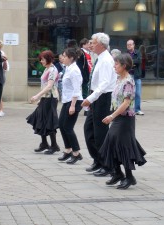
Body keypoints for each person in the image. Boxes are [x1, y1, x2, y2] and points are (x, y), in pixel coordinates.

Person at [98, 53, 147, 189]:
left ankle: (129, 177)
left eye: (117, 64)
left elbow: (126, 103)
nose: (114, 66)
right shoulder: (119, 79)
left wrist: (111, 116)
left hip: (126, 119)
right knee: (111, 143)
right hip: (118, 117)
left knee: (123, 147)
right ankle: (118, 173)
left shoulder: (128, 81)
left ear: (124, 66)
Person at [81, 32, 117, 176]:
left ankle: (107, 165)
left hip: (103, 98)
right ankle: (98, 159)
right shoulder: (99, 58)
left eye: (93, 43)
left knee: (101, 133)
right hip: (96, 98)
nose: (91, 45)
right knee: (89, 129)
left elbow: (104, 83)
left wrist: (91, 98)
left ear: (101, 45)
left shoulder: (106, 60)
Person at [26, 50, 60, 154]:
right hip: (46, 98)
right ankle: (44, 143)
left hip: (51, 99)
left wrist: (37, 96)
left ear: (49, 59)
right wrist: (41, 98)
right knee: (40, 120)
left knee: (49, 122)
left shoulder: (53, 70)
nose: (41, 61)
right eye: (41, 59)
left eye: (43, 59)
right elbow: (45, 86)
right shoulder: (47, 69)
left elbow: (49, 86)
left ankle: (54, 145)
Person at [57, 48, 83, 164]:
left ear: (71, 58)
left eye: (65, 56)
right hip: (67, 101)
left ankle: (76, 153)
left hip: (74, 101)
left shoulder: (75, 71)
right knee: (61, 125)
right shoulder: (68, 68)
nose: (62, 58)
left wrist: (72, 106)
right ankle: (68, 150)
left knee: (68, 127)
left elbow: (76, 90)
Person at [126, 39, 144, 115]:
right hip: (128, 76)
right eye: (127, 45)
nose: (129, 46)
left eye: (130, 44)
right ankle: (128, 109)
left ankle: (137, 109)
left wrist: (130, 62)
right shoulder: (126, 54)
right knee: (128, 93)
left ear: (133, 45)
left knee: (137, 93)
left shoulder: (138, 53)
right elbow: (124, 62)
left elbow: (139, 61)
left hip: (136, 76)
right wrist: (133, 63)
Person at [0, 39, 9, 117]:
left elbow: (6, 68)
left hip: (0, 76)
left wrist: (4, 61)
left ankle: (0, 110)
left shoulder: (2, 54)